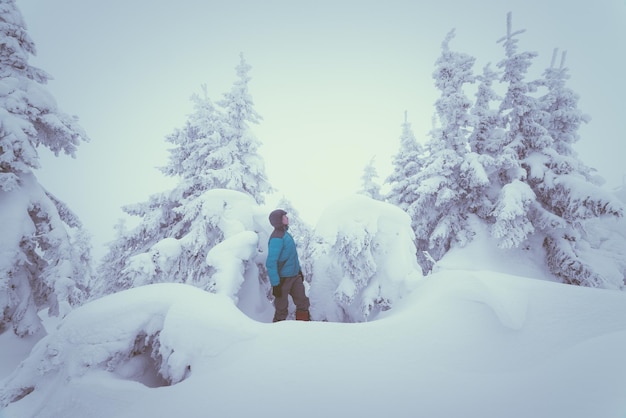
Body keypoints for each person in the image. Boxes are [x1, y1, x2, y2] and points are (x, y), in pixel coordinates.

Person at [265, 209, 310, 322]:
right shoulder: (277, 238)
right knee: (281, 309)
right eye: (284, 216)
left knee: (303, 303)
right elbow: (271, 263)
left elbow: (292, 256)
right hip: (283, 280)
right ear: (279, 220)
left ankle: (303, 327)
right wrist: (276, 284)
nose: (287, 218)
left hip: (294, 276)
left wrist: (298, 271)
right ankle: (276, 333)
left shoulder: (286, 234)